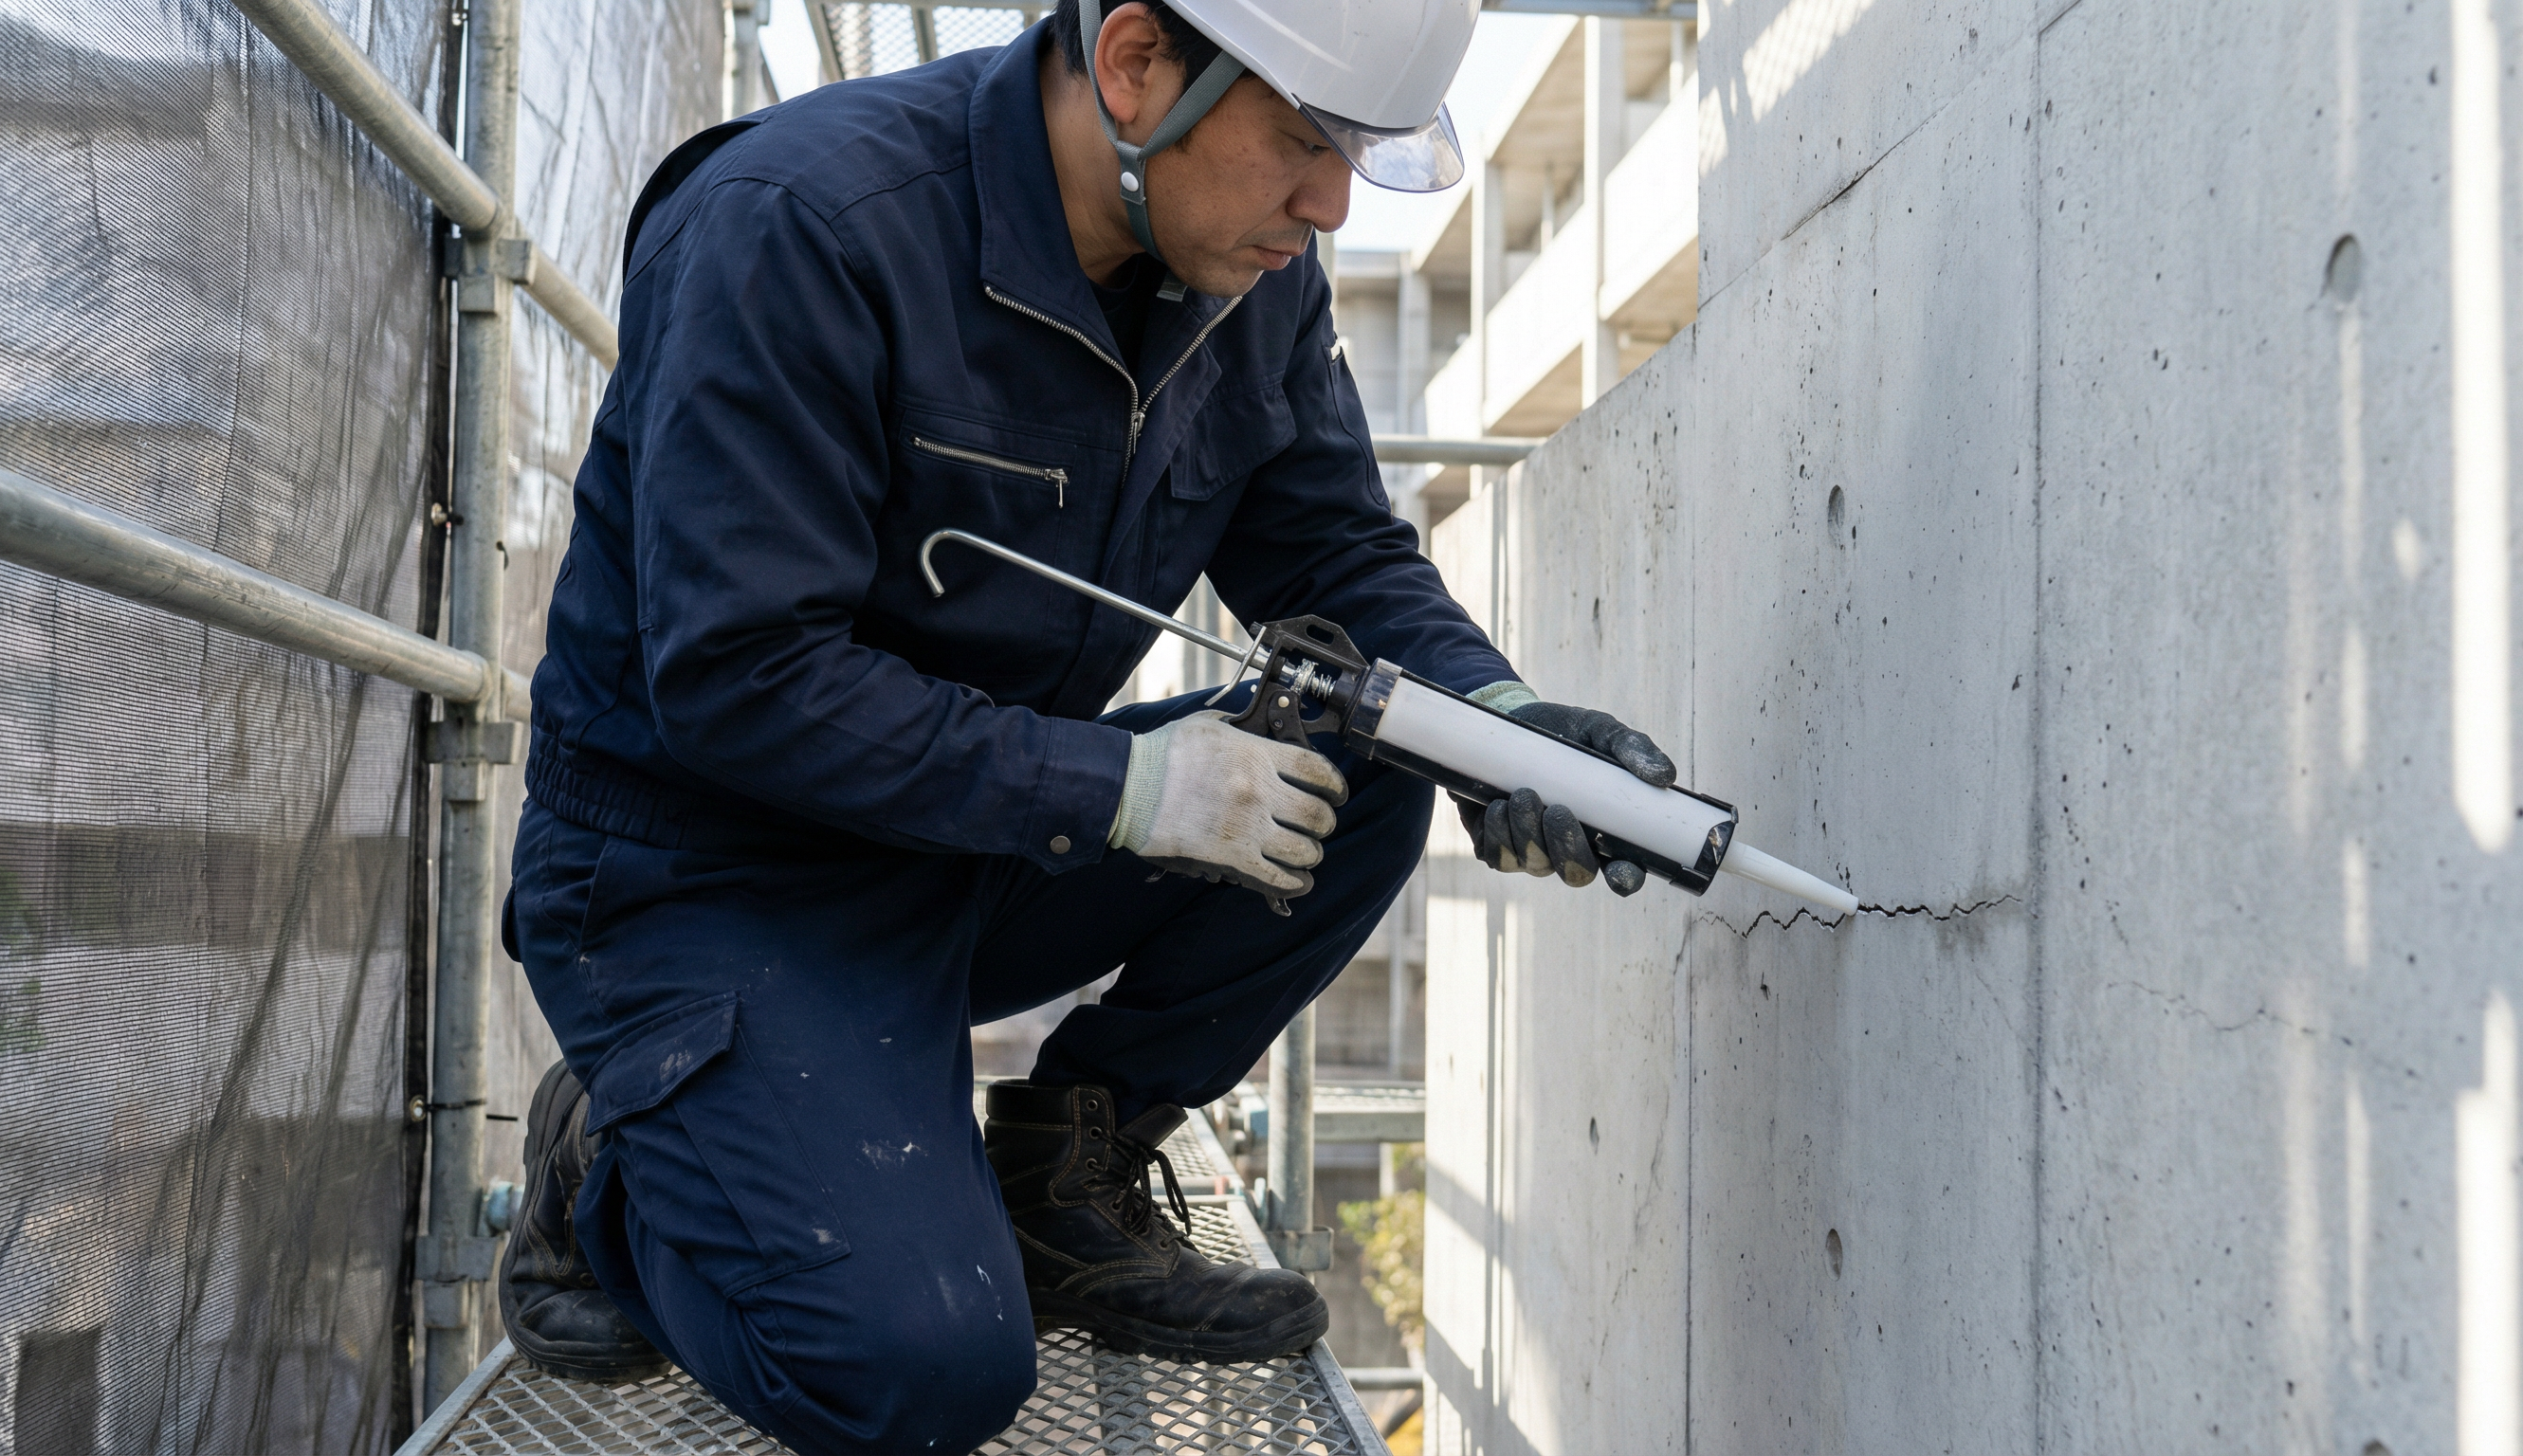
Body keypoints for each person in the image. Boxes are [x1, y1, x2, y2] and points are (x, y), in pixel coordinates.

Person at [495, 1, 1678, 1449]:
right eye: (1306, 139)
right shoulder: (800, 225)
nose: (1330, 203)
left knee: (1382, 742)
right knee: (919, 1375)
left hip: (969, 832)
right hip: (705, 884)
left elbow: (1334, 561)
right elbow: (739, 675)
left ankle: (1065, 1173)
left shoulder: (1248, 273)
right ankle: (614, 1155)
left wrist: (1503, 726)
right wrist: (1121, 790)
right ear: (1134, 63)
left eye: (1357, 153)